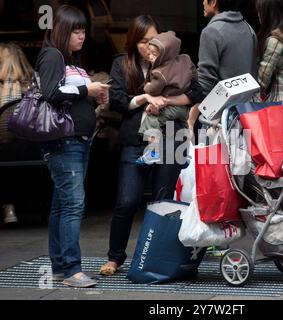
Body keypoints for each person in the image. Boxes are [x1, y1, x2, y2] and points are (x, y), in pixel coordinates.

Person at [99, 15, 204, 276]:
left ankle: (158, 257)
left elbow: (197, 93)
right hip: (136, 140)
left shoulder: (179, 62)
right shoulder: (121, 65)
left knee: (163, 202)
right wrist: (145, 98)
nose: (150, 47)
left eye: (154, 41)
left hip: (171, 137)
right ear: (134, 42)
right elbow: (118, 101)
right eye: (144, 41)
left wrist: (166, 102)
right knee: (127, 200)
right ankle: (115, 257)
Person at [37, 5, 110, 287]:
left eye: (83, 31)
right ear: (62, 31)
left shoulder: (73, 61)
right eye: (76, 31)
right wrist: (87, 89)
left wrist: (95, 97)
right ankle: (72, 270)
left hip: (78, 139)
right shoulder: (51, 55)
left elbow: (71, 95)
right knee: (73, 205)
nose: (82, 36)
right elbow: (51, 92)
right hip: (63, 141)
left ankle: (59, 266)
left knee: (62, 204)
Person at [188, 0, 258, 134]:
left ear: (213, 2)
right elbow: (254, 74)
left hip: (218, 119)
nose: (203, 2)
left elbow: (205, 82)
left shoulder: (211, 32)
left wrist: (193, 108)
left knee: (214, 155)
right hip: (247, 115)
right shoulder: (249, 29)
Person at [136, 31, 197, 165]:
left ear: (165, 54)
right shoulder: (185, 60)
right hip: (183, 108)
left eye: (154, 54)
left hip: (169, 107)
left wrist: (147, 86)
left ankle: (154, 152)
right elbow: (194, 74)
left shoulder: (159, 72)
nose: (150, 56)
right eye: (149, 53)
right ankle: (185, 153)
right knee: (185, 127)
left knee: (151, 120)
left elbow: (154, 89)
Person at [0, 43, 33, 224]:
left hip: (5, 147)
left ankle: (8, 207)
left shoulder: (4, 85)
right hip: (31, 148)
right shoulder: (32, 82)